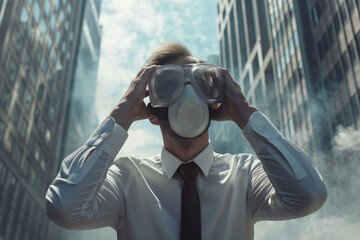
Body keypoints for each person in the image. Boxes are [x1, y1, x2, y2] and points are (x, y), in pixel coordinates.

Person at [46, 42, 327, 240]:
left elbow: (308, 196)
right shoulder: (126, 178)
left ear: (214, 102)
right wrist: (121, 115)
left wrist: (245, 113)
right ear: (153, 113)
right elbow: (64, 208)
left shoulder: (244, 174)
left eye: (200, 84)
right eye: (169, 86)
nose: (186, 97)